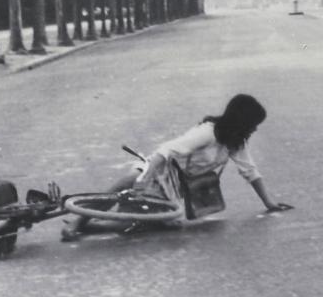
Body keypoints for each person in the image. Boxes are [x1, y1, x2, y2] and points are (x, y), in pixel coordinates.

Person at [62, 93, 292, 241]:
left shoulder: (235, 142)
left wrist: (269, 203)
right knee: (127, 181)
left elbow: (250, 171)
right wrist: (144, 178)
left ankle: (91, 226)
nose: (255, 129)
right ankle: (77, 221)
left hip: (176, 189)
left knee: (145, 225)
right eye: (253, 124)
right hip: (160, 171)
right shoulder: (208, 132)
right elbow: (166, 151)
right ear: (241, 121)